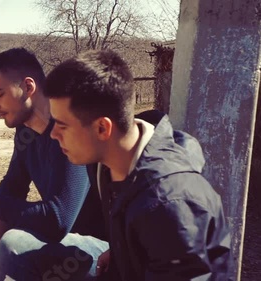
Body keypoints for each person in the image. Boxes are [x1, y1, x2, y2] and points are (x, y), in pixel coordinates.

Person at [44, 49, 232, 281]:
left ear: (103, 128)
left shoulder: (169, 205)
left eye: (62, 126)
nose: (52, 134)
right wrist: (122, 249)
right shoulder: (107, 164)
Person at [0, 48, 108, 281]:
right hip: (64, 235)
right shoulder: (26, 131)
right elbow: (14, 183)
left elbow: (58, 220)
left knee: (13, 244)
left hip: (101, 251)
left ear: (28, 87)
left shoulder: (69, 128)